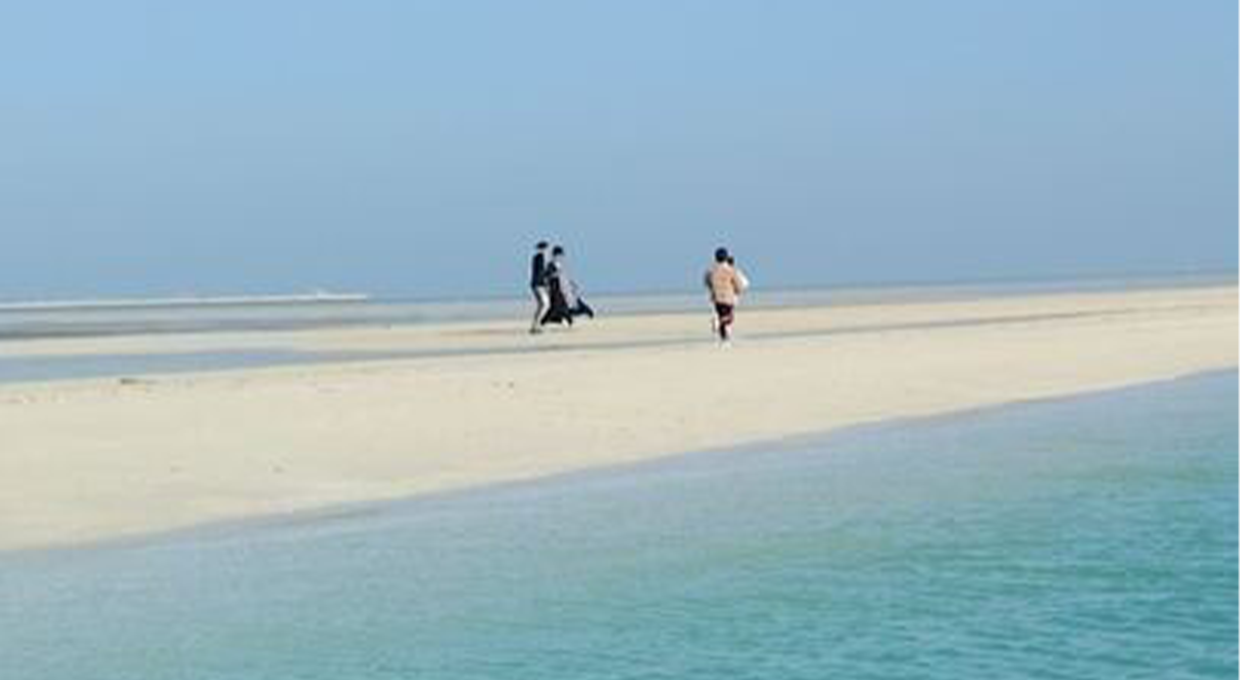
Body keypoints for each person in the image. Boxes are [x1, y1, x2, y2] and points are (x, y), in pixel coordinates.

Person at [541, 246, 595, 327]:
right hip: (556, 289)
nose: (560, 257)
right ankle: (549, 321)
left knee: (569, 305)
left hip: (564, 289)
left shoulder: (560, 264)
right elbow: (547, 276)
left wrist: (572, 284)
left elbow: (565, 277)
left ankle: (579, 315)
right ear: (555, 255)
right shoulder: (551, 264)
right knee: (558, 307)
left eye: (561, 256)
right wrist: (553, 278)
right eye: (559, 255)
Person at [705, 247, 748, 342]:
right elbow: (739, 284)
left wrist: (712, 289)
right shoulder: (731, 270)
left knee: (722, 315)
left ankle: (724, 337)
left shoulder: (710, 271)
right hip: (728, 298)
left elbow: (707, 283)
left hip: (716, 298)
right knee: (729, 318)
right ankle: (719, 324)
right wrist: (738, 291)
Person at [529, 241, 551, 334]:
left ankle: (535, 325)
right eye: (547, 249)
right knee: (545, 305)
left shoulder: (535, 258)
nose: (548, 251)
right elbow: (542, 273)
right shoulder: (542, 258)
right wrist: (546, 285)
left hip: (535, 284)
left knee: (541, 305)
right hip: (539, 284)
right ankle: (536, 326)